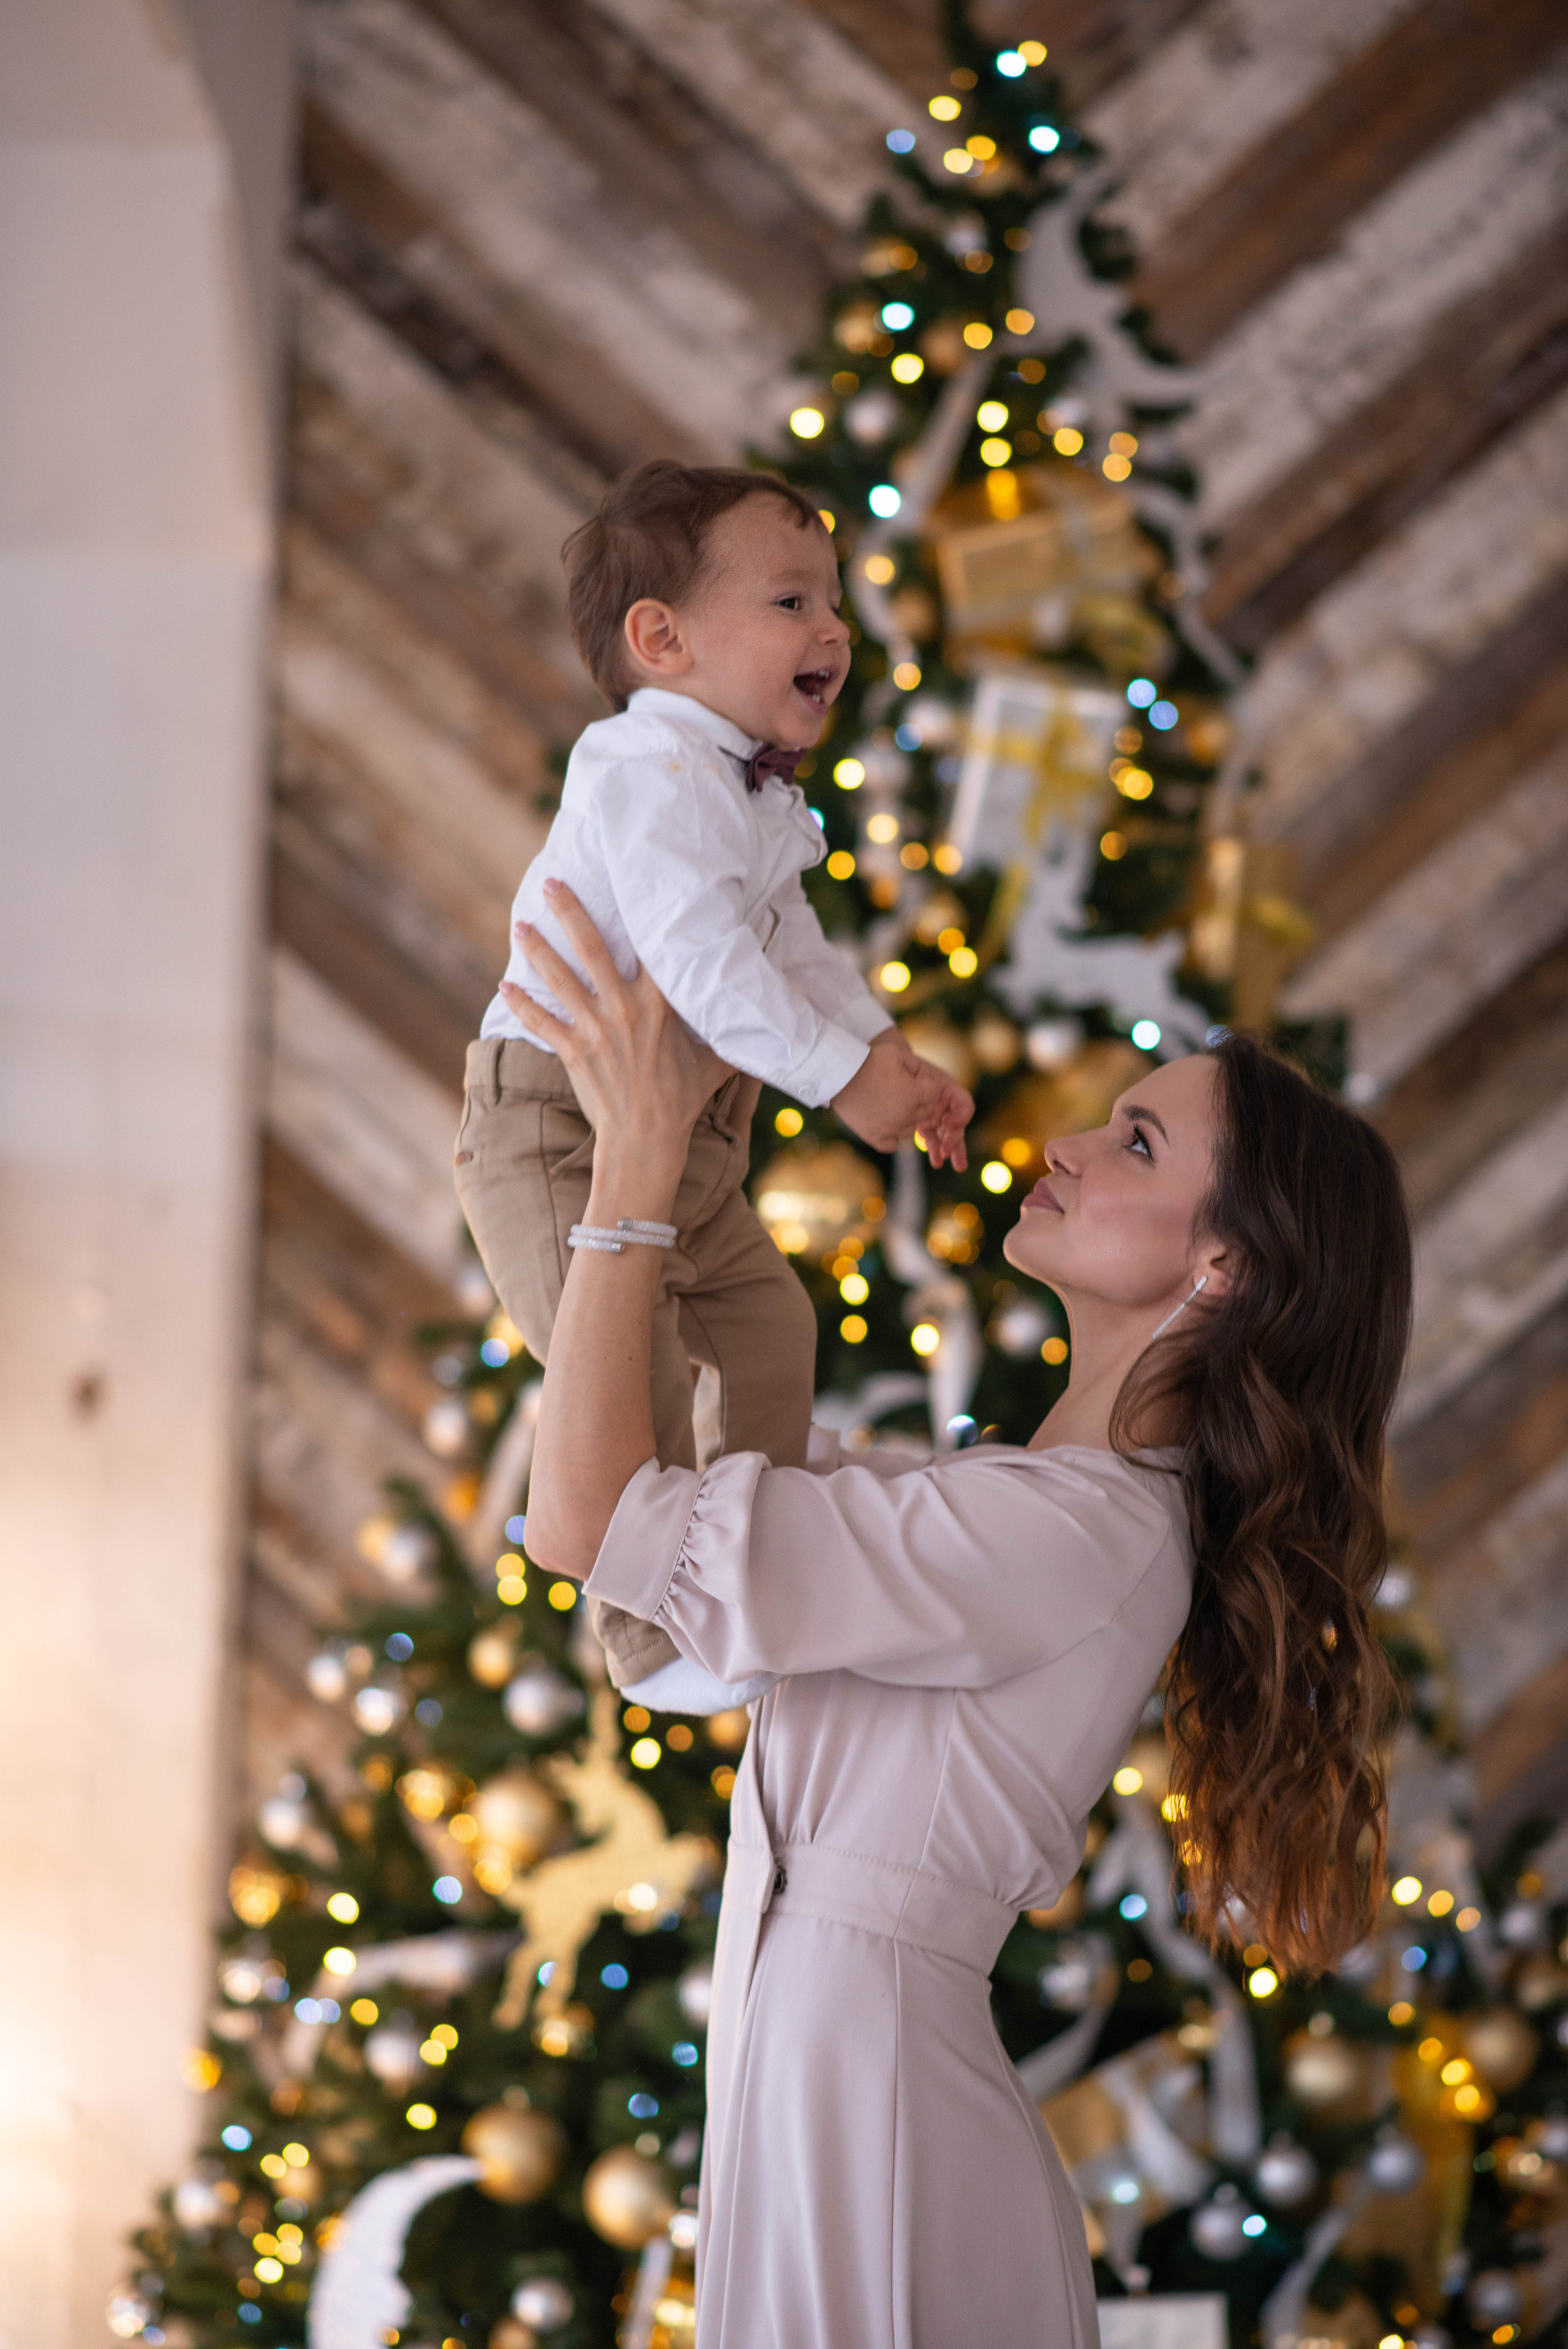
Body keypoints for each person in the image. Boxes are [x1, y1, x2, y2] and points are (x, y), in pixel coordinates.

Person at [513, 885, 1412, 2348]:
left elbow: (591, 1520)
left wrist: (635, 1148)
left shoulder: (1071, 1531)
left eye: (1132, 1142)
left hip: (868, 2104)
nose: (1060, 1143)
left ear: (1221, 1268)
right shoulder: (1033, 1502)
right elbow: (670, 1517)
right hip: (831, 2068)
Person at [454, 461, 971, 1700]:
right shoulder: (644, 770)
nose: (832, 631)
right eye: (792, 602)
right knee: (632, 1374)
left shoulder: (747, 796)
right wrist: (839, 1078)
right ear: (661, 639)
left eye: (834, 604)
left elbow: (792, 949)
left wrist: (880, 1052)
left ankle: (751, 1571)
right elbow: (698, 964)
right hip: (554, 1131)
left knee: (768, 1327)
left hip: (690, 1133)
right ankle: (651, 1640)